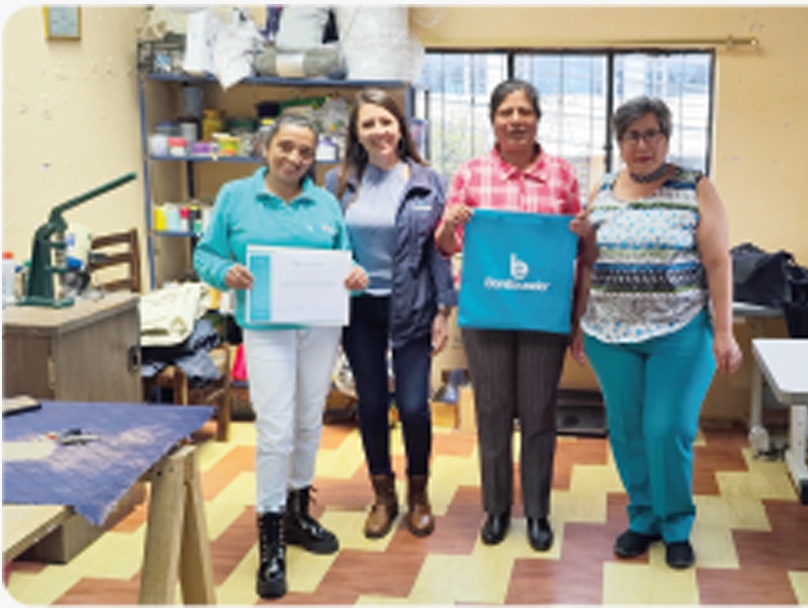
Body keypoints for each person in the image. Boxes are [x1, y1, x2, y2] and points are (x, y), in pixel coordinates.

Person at [193, 113, 368, 599]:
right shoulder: (235, 197)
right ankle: (269, 534)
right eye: (286, 147)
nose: (294, 158)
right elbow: (205, 256)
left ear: (315, 158)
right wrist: (225, 272)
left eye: (305, 152)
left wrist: (353, 276)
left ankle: (296, 513)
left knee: (311, 420)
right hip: (266, 328)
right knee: (275, 427)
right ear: (267, 148)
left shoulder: (326, 203)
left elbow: (345, 258)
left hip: (319, 327)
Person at [570, 96, 743, 570]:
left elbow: (717, 261)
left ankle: (676, 523)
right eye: (631, 135)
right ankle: (643, 518)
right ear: (619, 142)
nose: (642, 144)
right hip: (609, 333)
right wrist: (578, 322)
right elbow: (588, 263)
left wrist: (723, 333)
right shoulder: (603, 188)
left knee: (667, 429)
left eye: (652, 134)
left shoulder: (694, 187)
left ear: (666, 138)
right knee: (626, 430)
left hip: (680, 331)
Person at [435, 78, 582, 552]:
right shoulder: (471, 173)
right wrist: (451, 224)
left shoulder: (561, 174)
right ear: (493, 120)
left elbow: (578, 244)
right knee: (493, 411)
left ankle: (537, 512)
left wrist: (581, 230)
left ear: (538, 118)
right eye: (506, 112)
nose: (515, 120)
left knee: (539, 412)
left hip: (543, 311)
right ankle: (496, 509)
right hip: (488, 312)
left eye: (524, 112)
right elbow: (444, 245)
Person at [325, 89, 457, 539]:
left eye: (386, 121)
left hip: (413, 303)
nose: (379, 131)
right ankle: (383, 495)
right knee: (373, 404)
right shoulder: (339, 182)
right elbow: (328, 244)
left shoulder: (426, 181)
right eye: (369, 124)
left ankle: (418, 494)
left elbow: (438, 251)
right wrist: (343, 268)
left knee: (416, 407)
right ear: (357, 134)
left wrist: (444, 308)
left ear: (401, 127)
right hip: (360, 308)